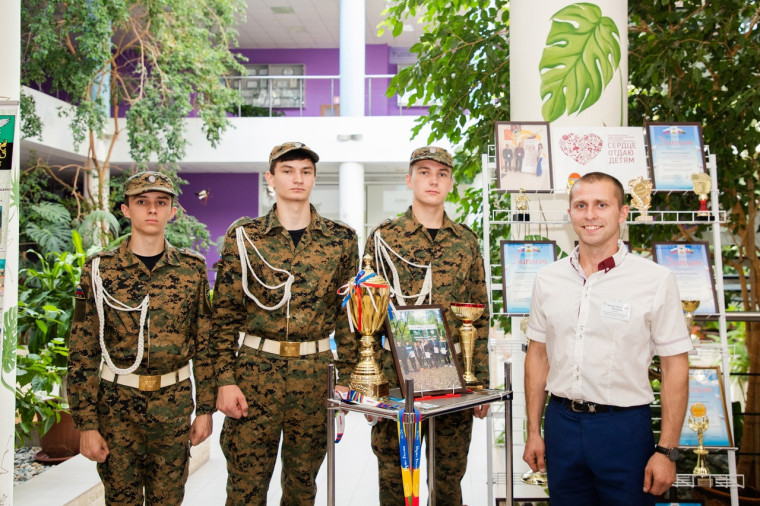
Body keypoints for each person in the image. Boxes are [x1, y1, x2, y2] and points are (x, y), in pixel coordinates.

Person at [522, 172, 692, 505]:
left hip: (624, 428)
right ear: (570, 213)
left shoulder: (655, 280)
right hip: (562, 425)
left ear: (623, 212)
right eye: (581, 205)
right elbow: (538, 356)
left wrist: (668, 449)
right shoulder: (547, 279)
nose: (590, 215)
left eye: (602, 205)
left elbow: (675, 366)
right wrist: (533, 431)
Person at [212, 142, 359, 505]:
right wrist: (225, 380)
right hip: (254, 373)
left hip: (314, 374)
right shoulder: (244, 237)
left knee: (302, 488)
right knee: (245, 488)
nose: (298, 178)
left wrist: (350, 377)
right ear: (271, 178)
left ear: (314, 179)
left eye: (306, 171)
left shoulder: (341, 240)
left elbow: (347, 315)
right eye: (288, 171)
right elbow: (224, 315)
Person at [67, 171, 214, 505]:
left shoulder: (191, 270)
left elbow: (204, 345)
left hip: (172, 405)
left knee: (169, 500)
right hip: (117, 408)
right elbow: (82, 351)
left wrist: (205, 409)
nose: (152, 210)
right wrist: (86, 424)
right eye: (142, 202)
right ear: (125, 209)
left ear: (172, 211)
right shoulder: (99, 269)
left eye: (161, 203)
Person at [363, 146, 489, 505]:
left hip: (451, 374)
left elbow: (479, 312)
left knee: (448, 480)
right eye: (423, 172)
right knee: (395, 478)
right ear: (409, 179)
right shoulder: (384, 237)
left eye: (441, 174)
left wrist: (479, 377)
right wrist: (367, 382)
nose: (433, 180)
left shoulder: (466, 241)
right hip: (396, 373)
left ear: (451, 183)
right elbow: (364, 312)